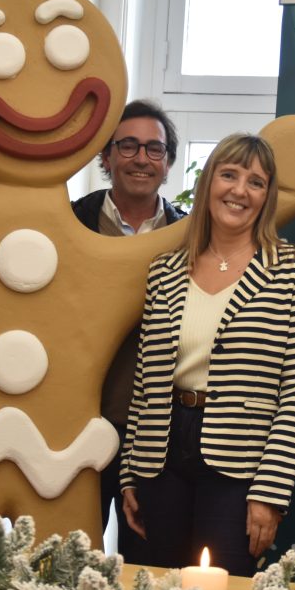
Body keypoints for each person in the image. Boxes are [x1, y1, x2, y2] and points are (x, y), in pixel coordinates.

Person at [118, 133, 295, 576]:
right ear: (209, 182)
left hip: (241, 462)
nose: (239, 190)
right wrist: (130, 474)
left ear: (266, 197)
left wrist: (271, 491)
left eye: (256, 182)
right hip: (161, 454)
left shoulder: (294, 269)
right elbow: (144, 382)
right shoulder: (165, 270)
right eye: (229, 175)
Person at [71, 99, 185, 560]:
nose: (142, 158)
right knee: (71, 559)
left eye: (154, 149)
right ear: (106, 157)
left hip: (159, 433)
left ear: (169, 162)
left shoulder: (190, 236)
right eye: (129, 146)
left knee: (151, 563)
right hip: (80, 423)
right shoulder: (71, 223)